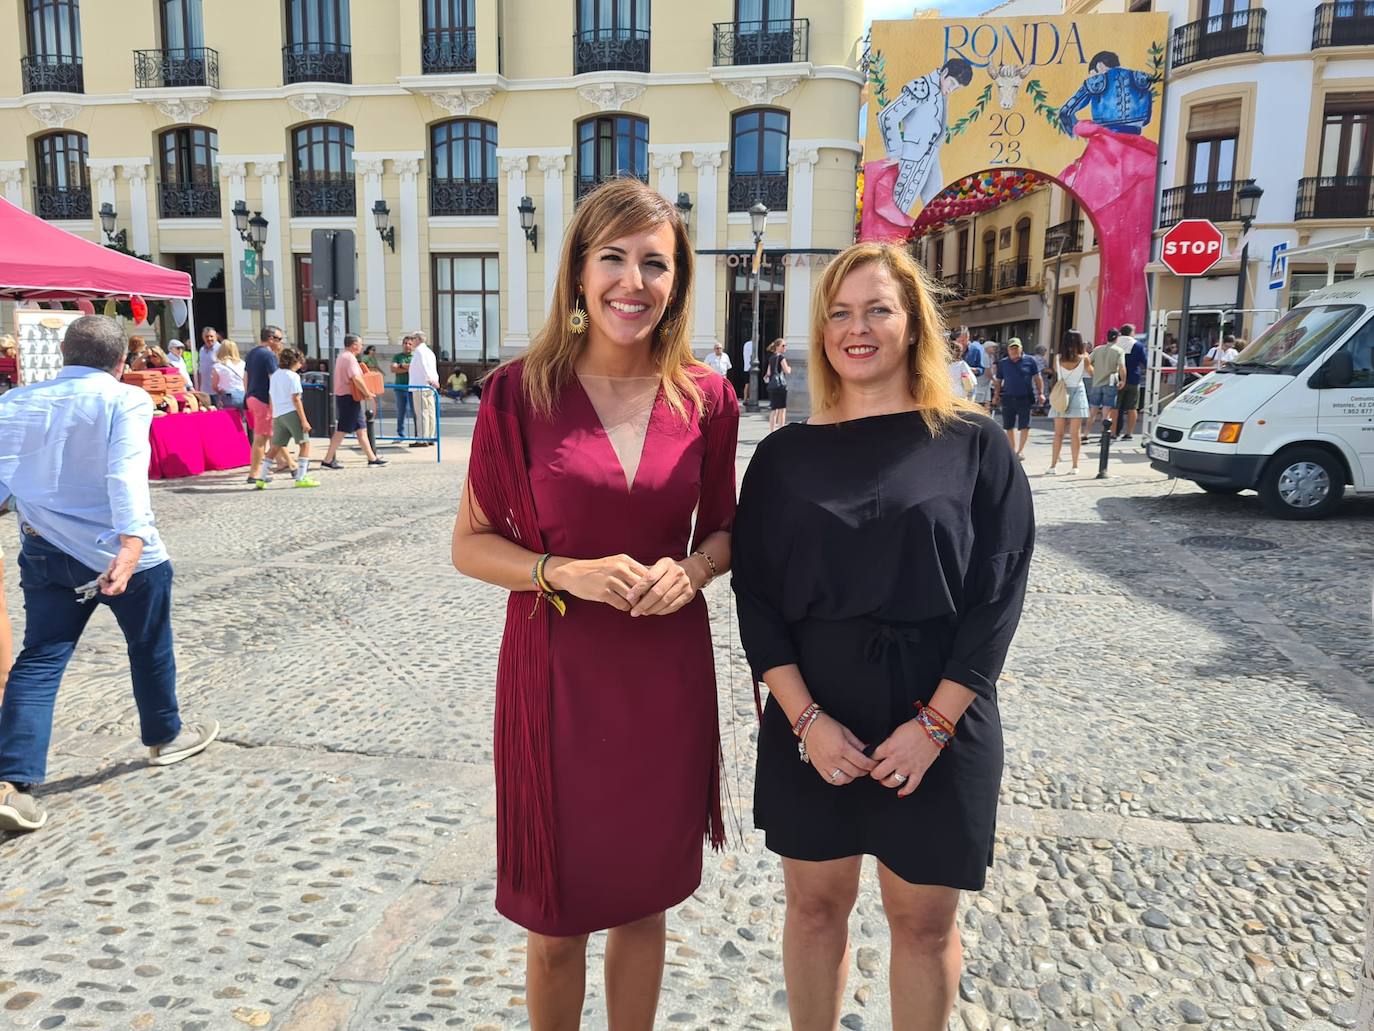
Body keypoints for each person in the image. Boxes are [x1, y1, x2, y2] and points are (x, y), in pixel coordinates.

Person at [450, 177, 738, 1030]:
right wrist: (560, 572)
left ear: (678, 281)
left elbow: (726, 532)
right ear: (579, 272)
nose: (633, 281)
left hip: (663, 678)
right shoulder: (517, 393)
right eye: (613, 257)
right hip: (557, 681)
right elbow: (469, 544)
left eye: (656, 263)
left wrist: (691, 572)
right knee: (555, 923)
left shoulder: (706, 398)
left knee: (643, 908)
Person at [732, 242, 1033, 1031]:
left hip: (941, 712)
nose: (855, 328)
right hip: (813, 713)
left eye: (877, 309)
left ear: (913, 323)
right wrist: (804, 721)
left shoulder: (975, 445)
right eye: (838, 312)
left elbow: (998, 595)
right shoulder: (782, 455)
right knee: (813, 909)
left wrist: (935, 724)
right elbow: (756, 599)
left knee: (925, 924)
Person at [0, 315, 218, 833]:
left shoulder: (14, 402)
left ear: (62, 356)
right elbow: (124, 471)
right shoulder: (126, 398)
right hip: (122, 551)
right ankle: (164, 737)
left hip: (47, 549)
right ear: (122, 362)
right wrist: (132, 541)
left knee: (42, 657)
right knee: (148, 645)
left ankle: (13, 782)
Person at [878, 58, 975, 213]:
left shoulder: (940, 92)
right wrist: (895, 154)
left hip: (930, 157)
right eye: (951, 84)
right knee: (895, 211)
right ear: (944, 73)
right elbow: (887, 117)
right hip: (909, 159)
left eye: (956, 88)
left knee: (936, 209)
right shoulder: (922, 87)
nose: (951, 90)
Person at [320, 334, 386, 470]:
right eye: (360, 344)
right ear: (354, 344)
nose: (362, 346)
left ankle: (372, 458)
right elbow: (356, 378)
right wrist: (367, 393)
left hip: (346, 396)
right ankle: (327, 460)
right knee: (342, 430)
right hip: (348, 397)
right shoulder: (349, 358)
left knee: (361, 429)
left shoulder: (342, 356)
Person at [262, 348, 319, 489]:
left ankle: (262, 477)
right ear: (295, 361)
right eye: (300, 362)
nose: (301, 365)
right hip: (291, 412)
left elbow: (271, 396)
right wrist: (304, 420)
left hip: (278, 414)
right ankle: (301, 477)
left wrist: (272, 414)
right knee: (304, 444)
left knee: (275, 446)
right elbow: (296, 399)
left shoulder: (275, 375)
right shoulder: (293, 376)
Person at [1048, 330, 1092, 475]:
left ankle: (1053, 466)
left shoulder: (1058, 358)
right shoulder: (1084, 358)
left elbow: (1056, 372)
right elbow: (1092, 373)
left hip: (1062, 393)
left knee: (1058, 433)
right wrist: (1085, 353)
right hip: (1078, 393)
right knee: (1075, 433)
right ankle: (1074, 466)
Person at [245, 325, 284, 485]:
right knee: (261, 439)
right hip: (263, 399)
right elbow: (274, 381)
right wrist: (274, 404)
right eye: (279, 339)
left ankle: (285, 462)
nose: (281, 342)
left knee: (271, 433)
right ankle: (254, 474)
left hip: (252, 397)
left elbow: (245, 376)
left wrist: (247, 395)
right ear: (271, 339)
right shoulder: (269, 356)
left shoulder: (252, 353)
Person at [992, 338, 1044, 460]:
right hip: (1008, 397)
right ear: (1008, 350)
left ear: (1021, 348)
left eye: (1016, 348)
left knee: (1024, 425)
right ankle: (1013, 449)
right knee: (1008, 425)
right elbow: (999, 381)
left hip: (1025, 397)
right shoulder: (1003, 363)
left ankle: (1020, 451)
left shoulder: (1030, 361)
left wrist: (1041, 393)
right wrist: (996, 395)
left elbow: (1037, 377)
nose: (1014, 350)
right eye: (1012, 348)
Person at [1088, 328, 1126, 436]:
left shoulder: (1098, 349)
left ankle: (1086, 433)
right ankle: (1104, 434)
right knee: (1106, 411)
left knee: (1093, 410)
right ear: (1117, 338)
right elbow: (1122, 367)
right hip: (1111, 382)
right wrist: (1123, 380)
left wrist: (1093, 373)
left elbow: (1088, 362)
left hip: (1097, 382)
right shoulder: (1119, 351)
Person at [1116, 323, 1148, 442]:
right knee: (1132, 407)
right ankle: (1128, 433)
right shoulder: (1138, 345)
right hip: (1133, 379)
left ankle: (1114, 432)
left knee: (1115, 407)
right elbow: (1145, 361)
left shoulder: (1115, 343)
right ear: (1131, 332)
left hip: (1117, 378)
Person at [408, 330, 440, 447]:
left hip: (420, 385)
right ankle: (430, 436)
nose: (411, 342)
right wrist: (434, 381)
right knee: (430, 412)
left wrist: (429, 379)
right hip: (429, 386)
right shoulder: (429, 352)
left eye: (412, 339)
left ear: (417, 339)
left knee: (422, 413)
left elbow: (424, 367)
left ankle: (422, 439)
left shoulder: (419, 351)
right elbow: (433, 368)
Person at [145, 345, 199, 411]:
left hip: (170, 397)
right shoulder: (148, 366)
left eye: (154, 356)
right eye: (149, 357)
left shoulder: (168, 366)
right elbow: (134, 366)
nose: (152, 359)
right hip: (156, 397)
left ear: (160, 356)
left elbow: (183, 380)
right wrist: (144, 355)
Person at [212, 339, 246, 415]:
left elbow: (214, 386)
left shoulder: (218, 366)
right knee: (242, 422)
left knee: (229, 422)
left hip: (227, 396)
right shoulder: (243, 364)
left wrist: (219, 391)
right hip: (243, 395)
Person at [391, 335, 415, 436]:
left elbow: (415, 369)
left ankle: (418, 434)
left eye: (410, 344)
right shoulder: (397, 356)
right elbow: (393, 369)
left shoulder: (415, 356)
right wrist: (407, 368)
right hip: (400, 388)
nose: (407, 345)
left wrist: (401, 366)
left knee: (415, 413)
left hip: (413, 388)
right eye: (405, 343)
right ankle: (400, 434)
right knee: (401, 412)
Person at [765, 338, 791, 432]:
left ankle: (771, 431)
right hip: (780, 386)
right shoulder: (781, 358)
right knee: (782, 409)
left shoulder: (771, 358)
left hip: (772, 386)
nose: (785, 347)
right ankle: (781, 430)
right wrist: (789, 368)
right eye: (783, 346)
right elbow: (786, 371)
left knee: (773, 409)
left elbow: (768, 372)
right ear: (777, 347)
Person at [196, 326, 220, 395]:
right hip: (204, 391)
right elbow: (200, 369)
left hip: (217, 392)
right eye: (207, 336)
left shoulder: (221, 349)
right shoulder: (202, 350)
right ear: (203, 337)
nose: (209, 338)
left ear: (216, 336)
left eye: (211, 336)